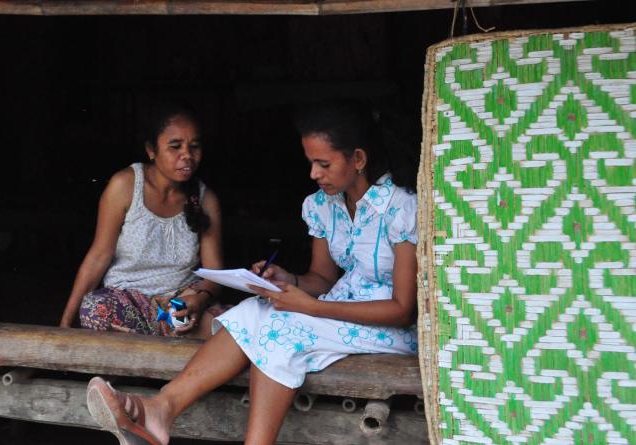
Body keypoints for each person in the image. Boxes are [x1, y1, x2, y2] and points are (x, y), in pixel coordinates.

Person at [85, 102, 420, 445]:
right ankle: (160, 409)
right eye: (311, 163)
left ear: (358, 159)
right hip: (339, 311)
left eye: (324, 164)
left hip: (389, 329)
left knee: (278, 332)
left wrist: (312, 307)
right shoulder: (323, 205)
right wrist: (288, 281)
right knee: (252, 311)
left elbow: (403, 310)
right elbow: (322, 280)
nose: (313, 174)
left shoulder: (401, 207)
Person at [59, 103, 223, 338]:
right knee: (96, 308)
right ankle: (161, 345)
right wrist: (65, 323)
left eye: (194, 146)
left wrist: (200, 299)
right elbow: (98, 256)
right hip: (128, 303)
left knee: (227, 329)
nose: (187, 155)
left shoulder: (206, 200)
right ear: (151, 150)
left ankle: (144, 349)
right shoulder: (125, 186)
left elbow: (214, 273)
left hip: (182, 304)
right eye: (175, 146)